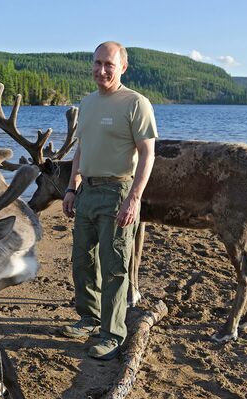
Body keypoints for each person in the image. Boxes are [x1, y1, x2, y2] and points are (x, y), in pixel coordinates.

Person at [61, 41, 158, 360]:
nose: (102, 70)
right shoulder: (87, 103)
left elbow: (147, 154)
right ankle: (88, 318)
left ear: (123, 68)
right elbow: (80, 150)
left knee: (115, 266)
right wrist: (72, 188)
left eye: (109, 65)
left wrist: (134, 198)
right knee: (82, 260)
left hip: (118, 192)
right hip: (87, 191)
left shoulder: (136, 103)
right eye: (97, 63)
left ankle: (113, 333)